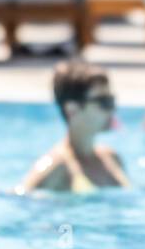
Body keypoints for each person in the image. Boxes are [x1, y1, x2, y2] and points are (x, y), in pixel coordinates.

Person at [15, 60, 130, 194]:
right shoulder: (56, 166)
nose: (113, 109)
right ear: (72, 109)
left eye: (112, 100)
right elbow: (20, 200)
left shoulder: (113, 158)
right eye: (104, 102)